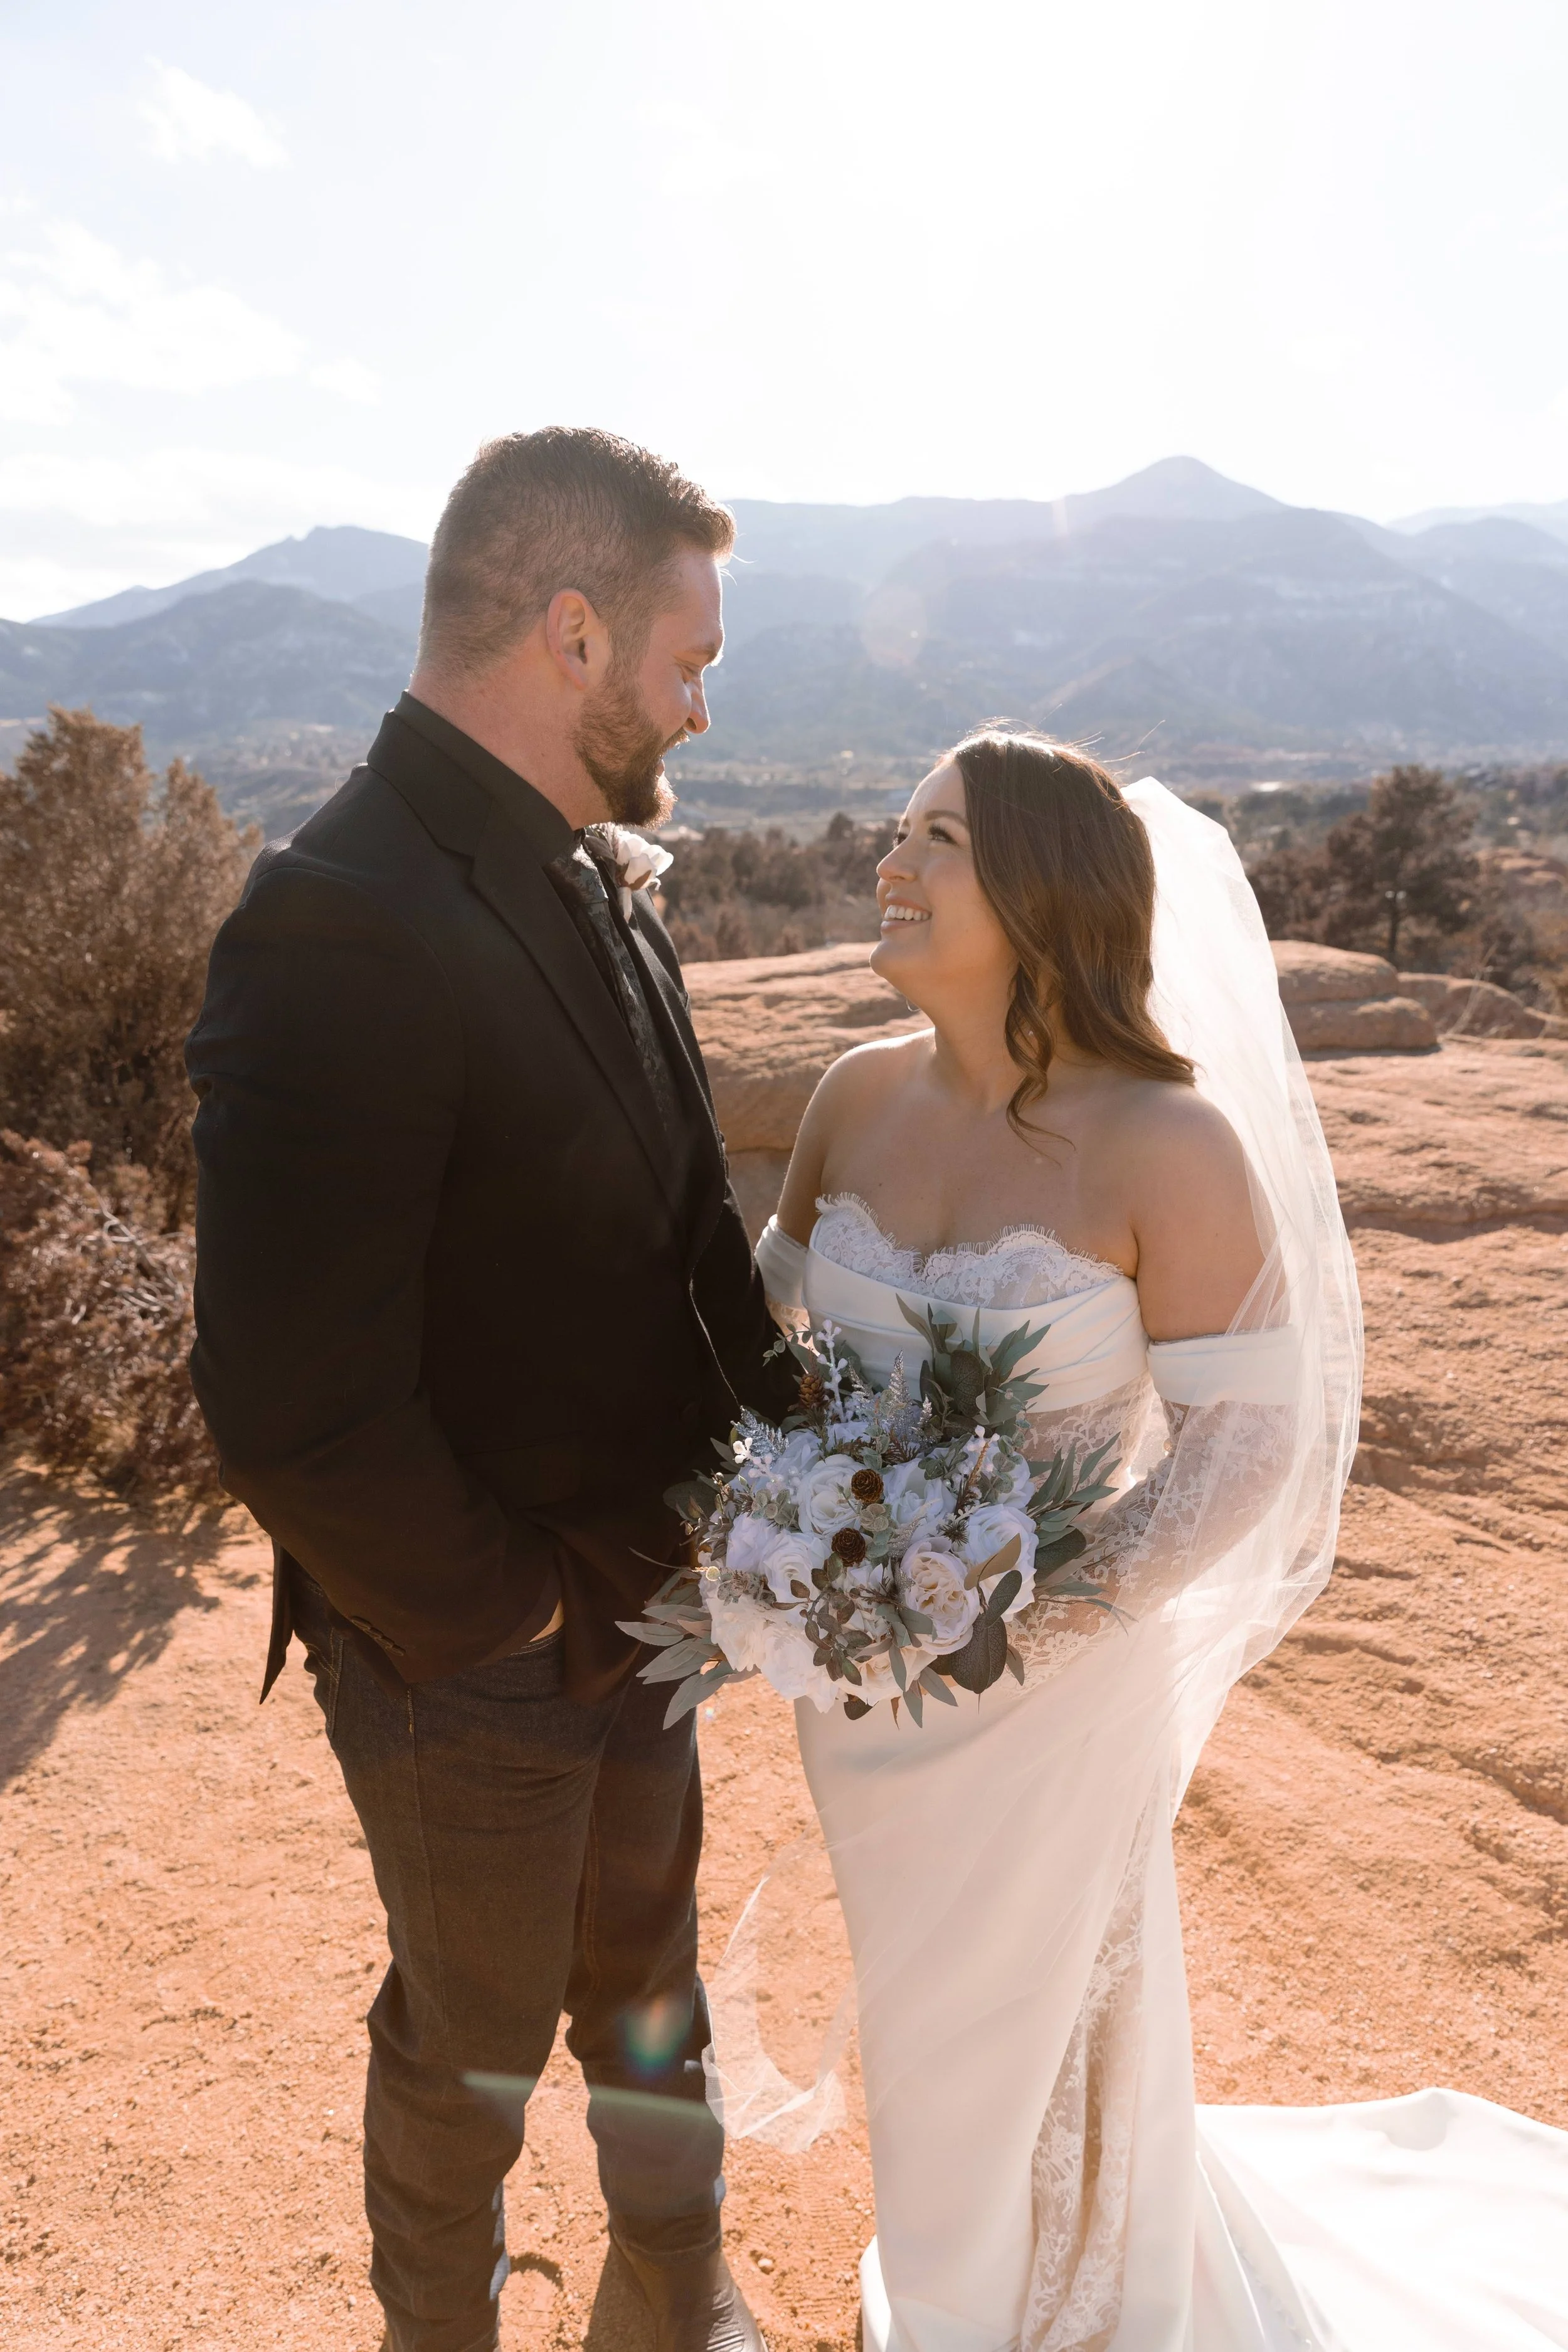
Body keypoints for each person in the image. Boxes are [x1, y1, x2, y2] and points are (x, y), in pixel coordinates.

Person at [186, 427, 790, 2352]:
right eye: (687, 658)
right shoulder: (339, 908)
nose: (704, 698)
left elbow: (688, 1211)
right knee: (468, 2046)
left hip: (658, 1609)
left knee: (649, 1991)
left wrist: (795, 1454)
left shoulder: (598, 873)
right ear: (569, 630)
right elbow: (290, 1401)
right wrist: (514, 1613)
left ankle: (665, 2312)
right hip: (482, 1666)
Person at [751, 731, 1365, 2349]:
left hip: (1056, 1687)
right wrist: (798, 1544)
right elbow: (767, 1348)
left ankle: (1031, 2315)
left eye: (936, 838)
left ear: (1040, 891)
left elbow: (1249, 1442)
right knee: (923, 2008)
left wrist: (1038, 1611)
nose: (891, 861)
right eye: (896, 826)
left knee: (1024, 2016)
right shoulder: (851, 1096)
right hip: (865, 1677)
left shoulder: (1168, 1145)